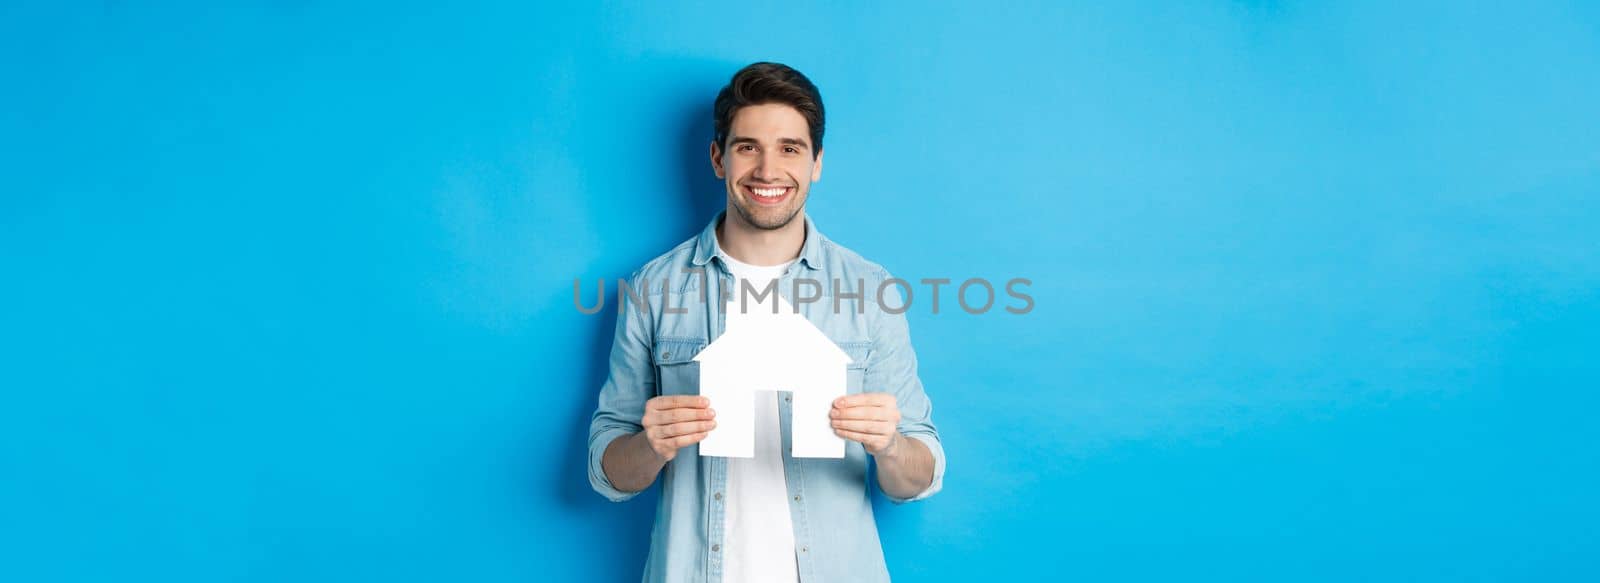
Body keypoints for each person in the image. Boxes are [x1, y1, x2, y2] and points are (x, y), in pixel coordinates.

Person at [588, 62, 945, 583]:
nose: (768, 170)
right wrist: (651, 444)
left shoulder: (871, 289)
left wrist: (888, 445)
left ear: (817, 162)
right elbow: (607, 470)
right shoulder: (652, 289)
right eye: (748, 146)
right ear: (718, 158)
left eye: (790, 148)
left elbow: (919, 474)